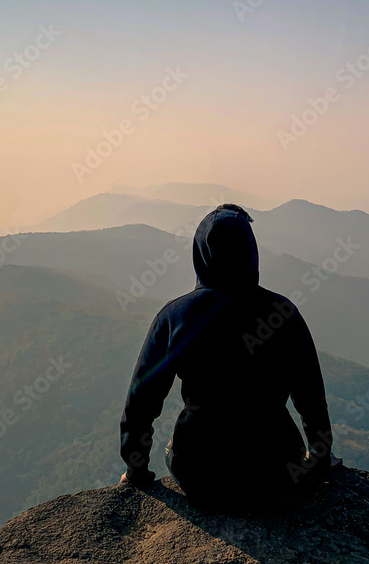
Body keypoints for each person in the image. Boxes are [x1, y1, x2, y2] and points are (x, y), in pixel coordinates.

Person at [119, 203, 340, 509]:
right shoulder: (283, 314)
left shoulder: (174, 317)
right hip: (278, 476)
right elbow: (311, 398)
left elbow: (141, 403)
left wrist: (136, 470)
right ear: (250, 251)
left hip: (203, 477)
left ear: (201, 253)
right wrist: (319, 457)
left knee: (179, 449)